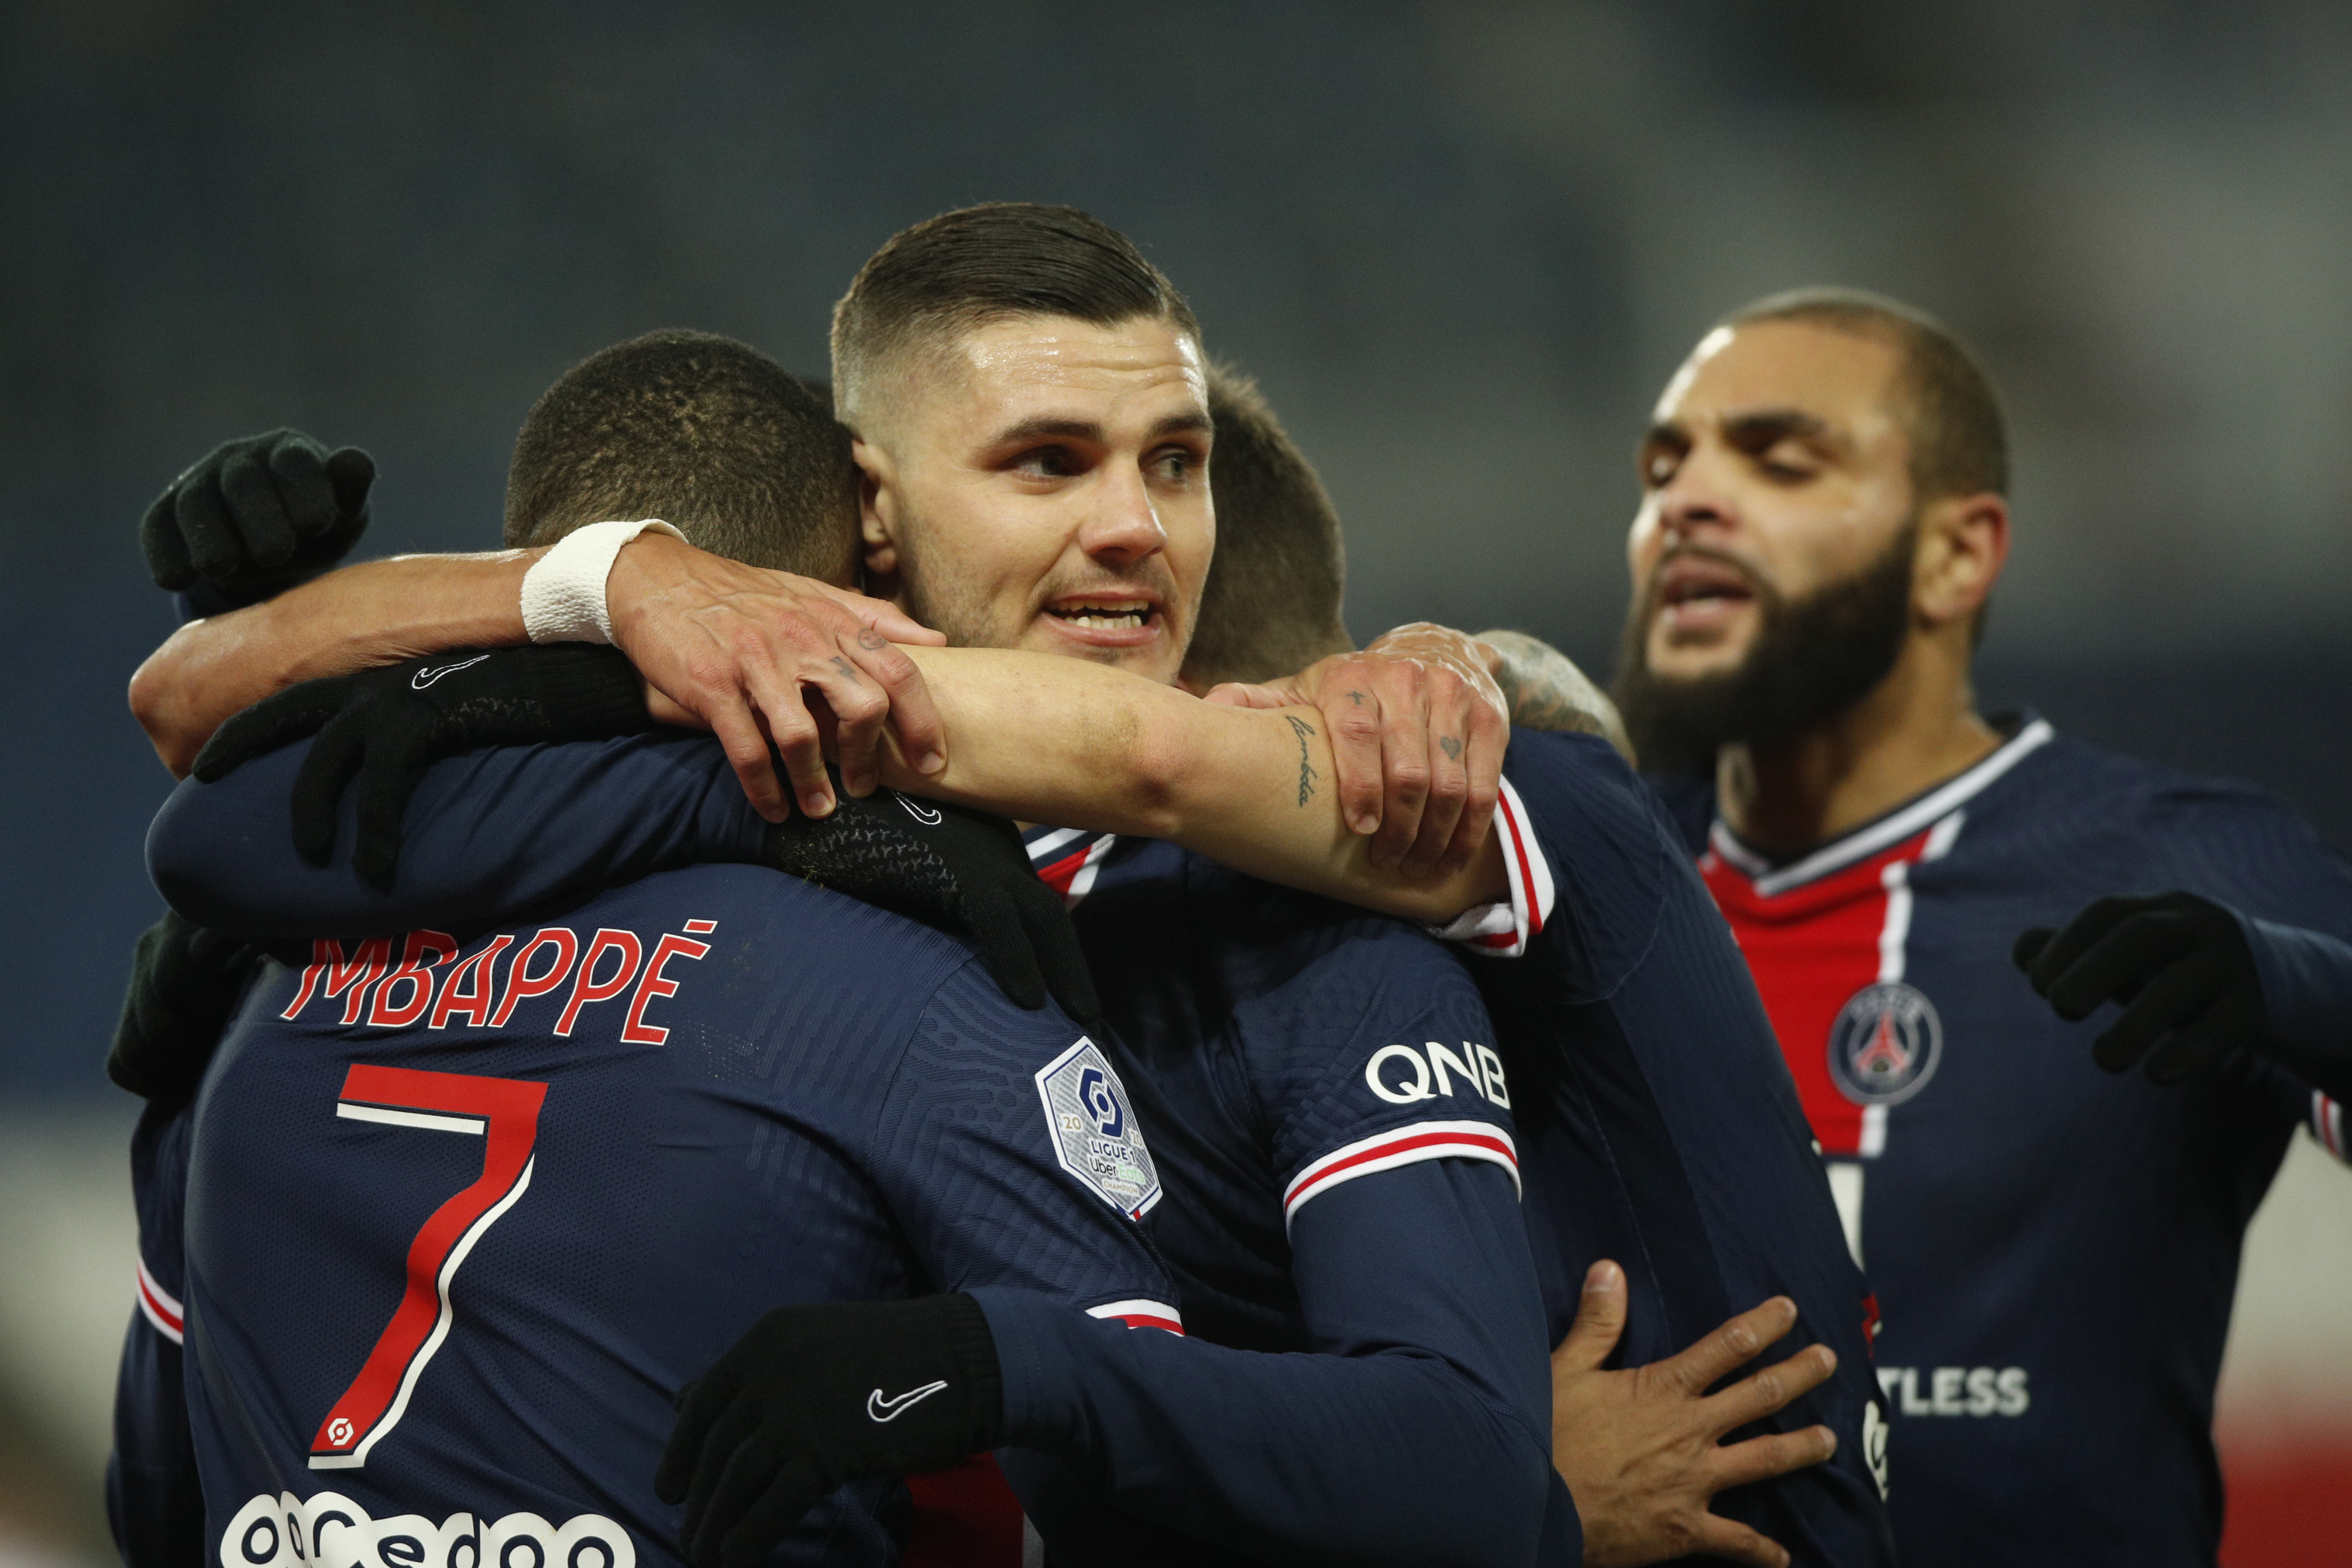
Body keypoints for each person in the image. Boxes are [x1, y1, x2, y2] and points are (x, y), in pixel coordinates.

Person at [142, 207, 1888, 1565]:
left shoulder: (1411, 805)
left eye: (1175, 464)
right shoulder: (906, 895)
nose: (1137, 525)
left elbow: (1169, 758)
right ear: (875, 524)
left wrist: (601, 623)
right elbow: (211, 775)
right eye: (1050, 462)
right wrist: (617, 598)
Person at [1612, 285, 2352, 1565]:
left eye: (1780, 461)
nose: (1688, 501)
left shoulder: (2186, 865)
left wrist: (2294, 987)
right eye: (1664, 467)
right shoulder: (1586, 884)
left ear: (1958, 555)